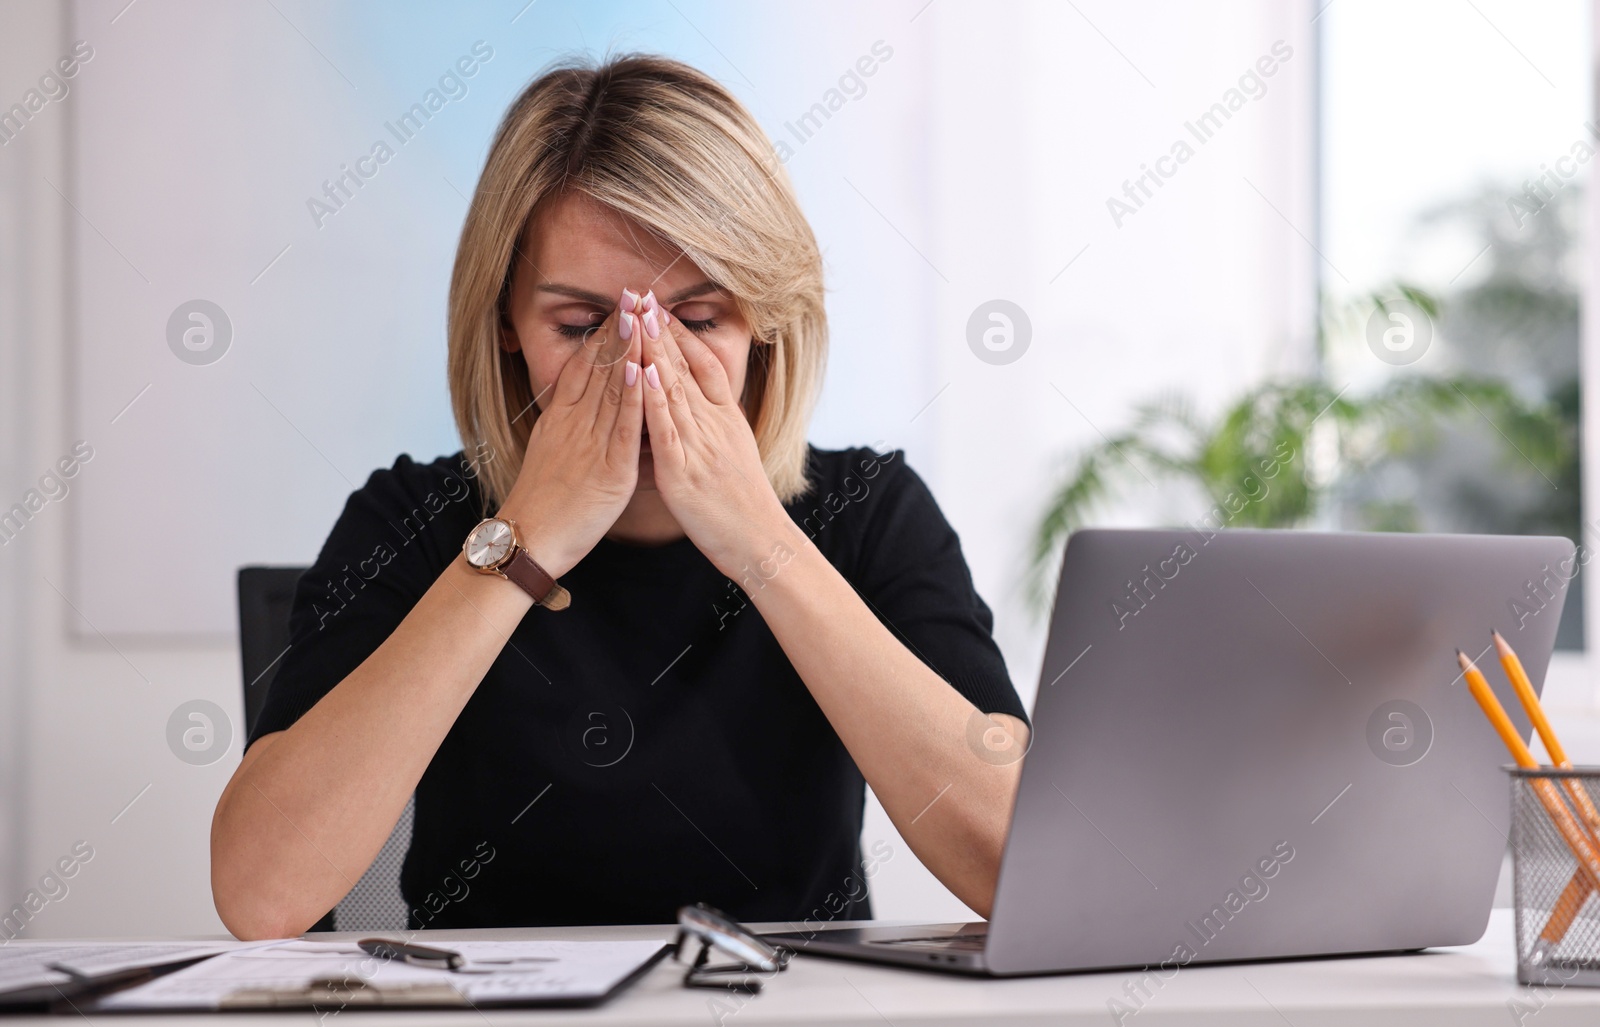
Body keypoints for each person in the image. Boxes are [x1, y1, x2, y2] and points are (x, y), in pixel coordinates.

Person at [210, 54, 1029, 939]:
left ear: (767, 325)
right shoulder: (411, 518)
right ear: (508, 330)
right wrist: (523, 541)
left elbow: (1017, 859)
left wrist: (761, 539)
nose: (641, 365)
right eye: (580, 326)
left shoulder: (870, 509)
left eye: (701, 320)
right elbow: (263, 894)